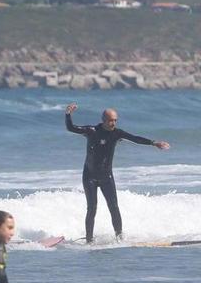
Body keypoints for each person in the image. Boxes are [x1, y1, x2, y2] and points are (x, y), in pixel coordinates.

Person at [65, 103, 170, 243]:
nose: (113, 123)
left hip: (106, 176)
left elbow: (135, 138)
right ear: (103, 119)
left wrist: (153, 143)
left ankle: (119, 238)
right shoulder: (92, 130)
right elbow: (71, 128)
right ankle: (89, 241)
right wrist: (68, 115)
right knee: (92, 208)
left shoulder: (117, 133)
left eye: (115, 120)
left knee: (114, 207)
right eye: (110, 120)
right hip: (89, 176)